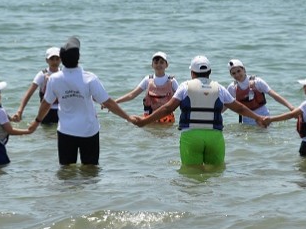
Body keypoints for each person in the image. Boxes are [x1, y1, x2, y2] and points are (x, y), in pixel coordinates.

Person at [133, 55, 268, 168]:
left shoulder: (185, 87)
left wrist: (145, 121)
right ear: (209, 72)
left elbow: (168, 108)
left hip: (191, 137)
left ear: (192, 73)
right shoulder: (219, 88)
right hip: (215, 137)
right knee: (215, 174)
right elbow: (240, 108)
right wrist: (258, 118)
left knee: (191, 175)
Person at [29, 37, 136, 166]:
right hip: (89, 131)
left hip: (65, 132)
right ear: (78, 58)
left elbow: (46, 104)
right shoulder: (89, 78)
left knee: (66, 172)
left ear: (61, 59)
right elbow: (108, 103)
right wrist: (128, 117)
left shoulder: (54, 79)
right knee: (90, 171)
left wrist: (37, 121)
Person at [113, 51, 179, 124]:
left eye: (161, 62)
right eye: (156, 62)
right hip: (149, 119)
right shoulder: (147, 80)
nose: (158, 65)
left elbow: (181, 98)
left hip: (167, 119)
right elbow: (132, 95)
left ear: (166, 65)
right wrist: (115, 102)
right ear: (152, 65)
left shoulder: (172, 81)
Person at [225, 59, 295, 125]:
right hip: (246, 121)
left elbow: (274, 95)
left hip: (264, 118)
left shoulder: (257, 82)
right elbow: (226, 105)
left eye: (239, 71)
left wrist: (291, 108)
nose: (237, 75)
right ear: (231, 75)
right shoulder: (232, 88)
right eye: (233, 73)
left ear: (244, 69)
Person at [11, 47, 61, 124]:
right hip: (46, 111)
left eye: (57, 59)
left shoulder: (64, 74)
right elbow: (29, 94)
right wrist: (20, 111)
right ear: (47, 60)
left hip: (61, 110)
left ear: (61, 59)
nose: (55, 62)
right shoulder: (42, 75)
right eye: (52, 59)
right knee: (47, 134)